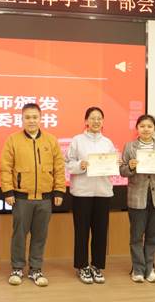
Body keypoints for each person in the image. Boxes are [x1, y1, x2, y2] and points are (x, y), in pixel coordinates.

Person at [1, 103, 66, 287]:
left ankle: (36, 269)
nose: (31, 120)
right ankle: (17, 268)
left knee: (40, 236)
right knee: (19, 235)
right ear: (22, 119)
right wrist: (8, 191)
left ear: (40, 118)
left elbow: (59, 167)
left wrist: (59, 190)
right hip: (21, 198)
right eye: (27, 117)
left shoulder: (51, 140)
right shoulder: (13, 140)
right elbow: (6, 167)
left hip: (45, 198)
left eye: (35, 117)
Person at [65, 106, 116, 284]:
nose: (96, 121)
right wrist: (80, 165)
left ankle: (97, 266)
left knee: (100, 231)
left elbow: (113, 166)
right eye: (92, 118)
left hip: (103, 192)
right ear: (86, 121)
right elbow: (68, 163)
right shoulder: (77, 140)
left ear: (103, 122)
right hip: (82, 192)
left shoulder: (108, 143)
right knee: (82, 231)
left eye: (99, 118)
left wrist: (115, 163)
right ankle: (82, 266)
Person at [120, 114, 155, 283]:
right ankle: (137, 269)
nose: (146, 129)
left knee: (154, 234)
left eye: (149, 126)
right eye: (142, 126)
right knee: (136, 235)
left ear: (154, 128)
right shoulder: (130, 146)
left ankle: (150, 268)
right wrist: (130, 166)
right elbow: (122, 171)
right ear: (137, 128)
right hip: (137, 196)